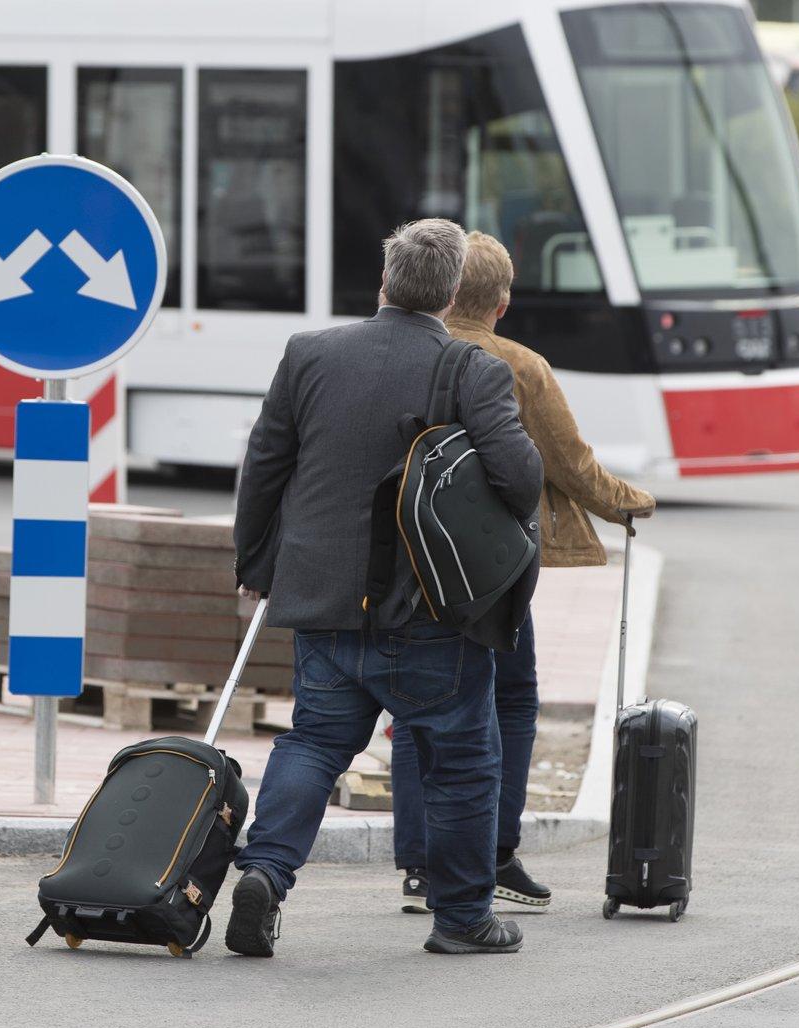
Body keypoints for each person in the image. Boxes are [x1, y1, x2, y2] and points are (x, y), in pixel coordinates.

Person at [229, 219, 544, 957]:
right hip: (432, 608)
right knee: (462, 760)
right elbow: (521, 480)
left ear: (384, 282)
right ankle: (462, 919)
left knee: (314, 742)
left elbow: (264, 466)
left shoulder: (309, 353)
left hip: (324, 603)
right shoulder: (473, 370)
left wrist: (256, 564)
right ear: (453, 293)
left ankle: (266, 872)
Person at [389, 232, 656, 914]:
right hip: (488, 569)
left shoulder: (403, 350)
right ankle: (494, 851)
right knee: (510, 699)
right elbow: (570, 464)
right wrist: (630, 502)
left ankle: (420, 866)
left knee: (418, 707)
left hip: (408, 558)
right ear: (501, 303)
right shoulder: (518, 365)